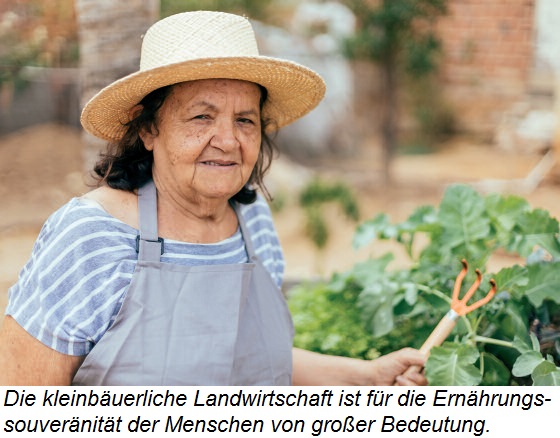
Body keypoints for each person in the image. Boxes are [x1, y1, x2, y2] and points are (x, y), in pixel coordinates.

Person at [0, 11, 426, 386]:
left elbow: (244, 363)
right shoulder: (91, 237)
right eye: (201, 116)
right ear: (148, 129)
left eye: (245, 120)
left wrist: (365, 376)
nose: (227, 140)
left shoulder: (251, 220)